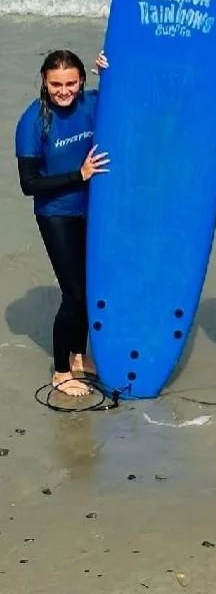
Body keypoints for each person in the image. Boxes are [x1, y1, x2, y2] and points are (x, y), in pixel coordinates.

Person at [15, 50, 110, 397]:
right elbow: (29, 184)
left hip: (93, 210)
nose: (64, 90)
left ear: (81, 80)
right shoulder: (33, 122)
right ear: (44, 81)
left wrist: (109, 73)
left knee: (89, 288)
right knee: (73, 294)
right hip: (56, 213)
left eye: (71, 83)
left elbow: (128, 99)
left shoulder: (93, 102)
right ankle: (60, 371)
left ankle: (79, 355)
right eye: (56, 84)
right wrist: (79, 174)